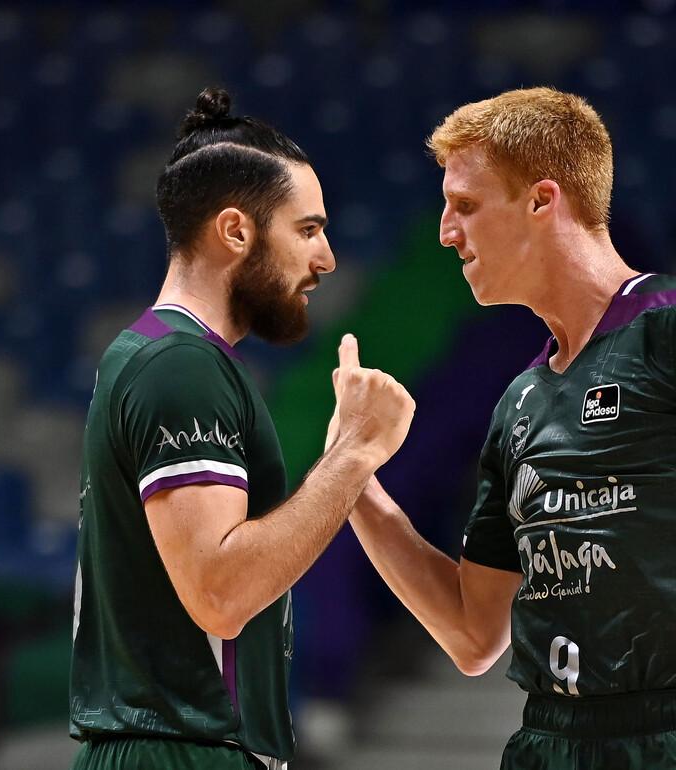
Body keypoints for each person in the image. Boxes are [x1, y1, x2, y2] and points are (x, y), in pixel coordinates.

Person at [68, 87, 415, 770]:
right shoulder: (181, 366)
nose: (328, 258)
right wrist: (353, 455)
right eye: (309, 229)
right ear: (236, 231)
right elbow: (220, 593)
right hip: (180, 753)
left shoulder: (162, 355)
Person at [345, 86, 676, 769]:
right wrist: (351, 474)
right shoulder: (520, 402)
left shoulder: (664, 330)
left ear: (541, 201)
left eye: (464, 206)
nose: (445, 231)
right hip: (550, 742)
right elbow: (473, 634)